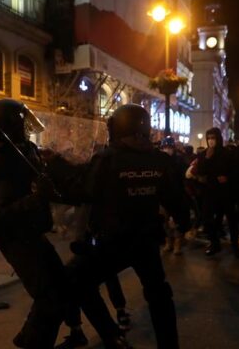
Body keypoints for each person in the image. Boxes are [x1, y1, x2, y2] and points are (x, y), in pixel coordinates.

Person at [47, 104, 182, 349]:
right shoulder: (160, 160)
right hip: (146, 240)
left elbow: (83, 191)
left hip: (112, 242)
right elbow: (174, 197)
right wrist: (183, 221)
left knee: (75, 280)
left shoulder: (108, 159)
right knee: (159, 294)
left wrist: (56, 168)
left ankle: (111, 336)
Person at [0, 99, 66, 348]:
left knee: (60, 287)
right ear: (9, 126)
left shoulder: (22, 149)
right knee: (50, 299)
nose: (27, 128)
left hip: (33, 231)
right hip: (16, 239)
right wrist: (37, 197)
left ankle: (28, 337)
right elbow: (0, 214)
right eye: (22, 123)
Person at [193, 128, 239, 258]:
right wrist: (208, 158)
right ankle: (215, 244)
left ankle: (235, 246)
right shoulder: (204, 154)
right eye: (208, 137)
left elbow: (237, 171)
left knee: (231, 220)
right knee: (206, 218)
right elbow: (202, 172)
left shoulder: (228, 153)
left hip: (226, 192)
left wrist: (227, 177)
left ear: (219, 138)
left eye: (213, 137)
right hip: (210, 191)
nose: (211, 140)